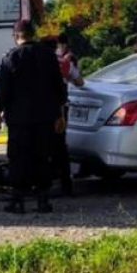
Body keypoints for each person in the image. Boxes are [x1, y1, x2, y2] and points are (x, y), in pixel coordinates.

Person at [0, 20, 67, 214]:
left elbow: (3, 88)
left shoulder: (11, 57)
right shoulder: (49, 56)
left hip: (19, 118)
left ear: (16, 36)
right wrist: (59, 114)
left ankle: (18, 200)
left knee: (18, 157)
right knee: (42, 156)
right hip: (45, 116)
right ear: (33, 34)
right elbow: (58, 86)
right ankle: (43, 200)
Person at [53, 35, 85, 195]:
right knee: (59, 145)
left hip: (38, 110)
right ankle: (65, 183)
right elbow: (80, 82)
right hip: (59, 109)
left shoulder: (34, 61)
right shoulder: (65, 62)